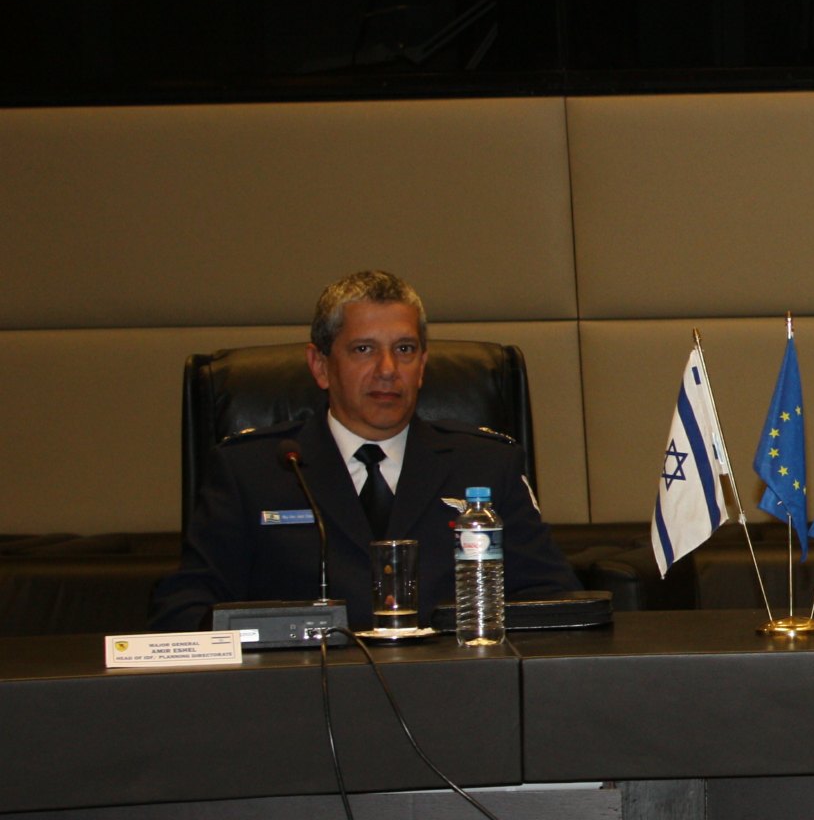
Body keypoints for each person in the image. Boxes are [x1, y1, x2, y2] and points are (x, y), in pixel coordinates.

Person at [151, 270, 578, 630]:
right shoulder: (252, 471)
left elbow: (554, 600)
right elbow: (184, 609)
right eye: (363, 350)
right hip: (302, 694)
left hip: (453, 688)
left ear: (422, 366)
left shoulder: (487, 465)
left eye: (405, 350)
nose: (388, 370)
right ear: (320, 366)